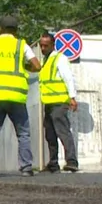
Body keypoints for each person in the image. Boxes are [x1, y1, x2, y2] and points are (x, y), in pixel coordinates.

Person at [0, 15, 41, 178]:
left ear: (0, 29)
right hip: (16, 97)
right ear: (16, 30)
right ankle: (26, 167)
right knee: (23, 133)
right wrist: (24, 67)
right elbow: (37, 66)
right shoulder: (21, 45)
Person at [39, 32, 79, 173]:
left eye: (46, 45)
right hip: (49, 103)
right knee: (50, 135)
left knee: (63, 132)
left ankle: (72, 162)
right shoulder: (45, 60)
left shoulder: (59, 58)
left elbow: (68, 77)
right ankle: (53, 163)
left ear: (53, 45)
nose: (43, 48)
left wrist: (72, 97)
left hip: (59, 102)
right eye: (41, 45)